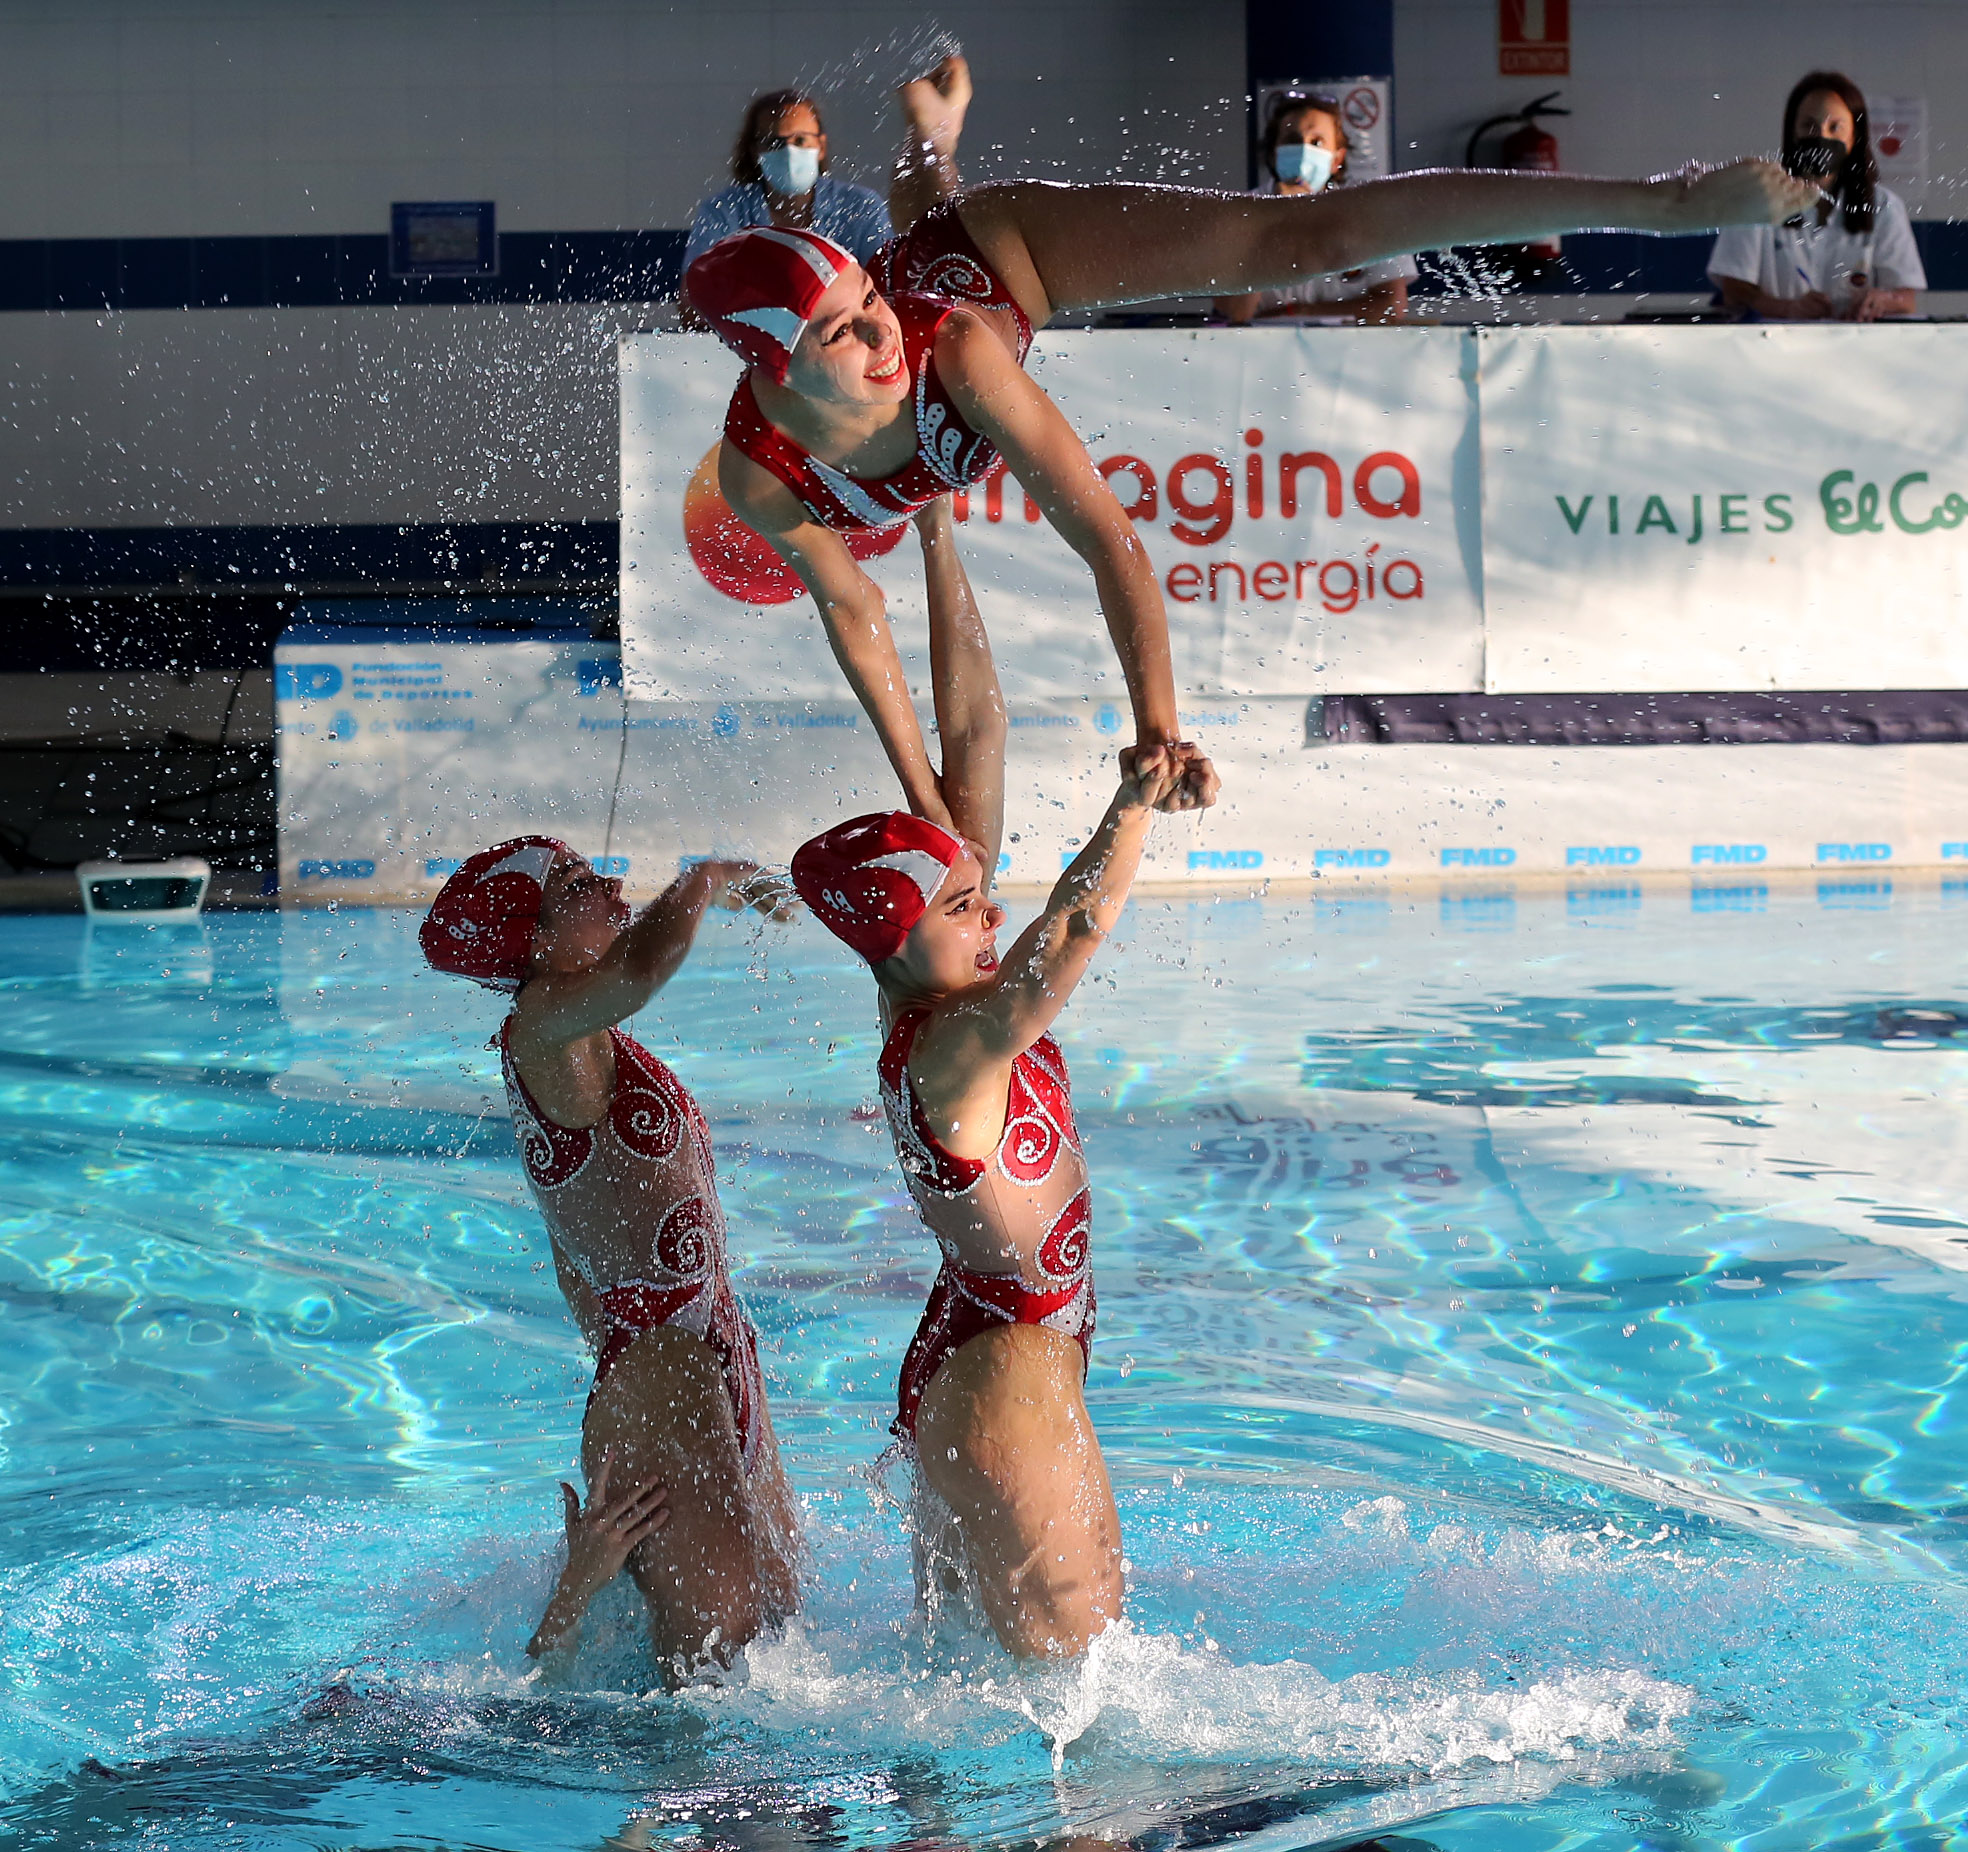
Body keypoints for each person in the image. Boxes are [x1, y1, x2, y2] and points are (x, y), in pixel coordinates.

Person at [685, 92, 1817, 835]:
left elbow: (1110, 540)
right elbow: (859, 630)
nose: (878, 334)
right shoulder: (761, 476)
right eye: (842, 331)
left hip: (1004, 258)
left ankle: (1660, 201)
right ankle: (927, 157)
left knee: (1297, 236)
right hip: (892, 434)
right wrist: (926, 814)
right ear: (776, 367)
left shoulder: (952, 345)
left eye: (868, 306)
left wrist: (1158, 728)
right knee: (952, 775)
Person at [790, 496, 1176, 1659]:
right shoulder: (960, 1045)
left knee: (965, 1720)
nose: (988, 907)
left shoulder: (925, 980)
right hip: (1007, 1370)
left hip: (984, 1353)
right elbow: (1071, 934)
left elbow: (980, 731)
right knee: (1088, 1717)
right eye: (964, 905)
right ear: (903, 935)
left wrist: (937, 528)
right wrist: (1137, 799)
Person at [419, 840, 801, 1677]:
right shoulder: (541, 1029)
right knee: (719, 1690)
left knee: (782, 1646)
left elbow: (571, 1252)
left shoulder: (579, 1044)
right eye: (578, 884)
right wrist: (705, 877)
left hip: (705, 1356)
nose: (614, 884)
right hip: (667, 1375)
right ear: (533, 939)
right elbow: (643, 968)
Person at [1709, 71, 1924, 322]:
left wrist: (1881, 300)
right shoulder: (1754, 198)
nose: (1822, 136)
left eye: (1835, 127)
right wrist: (1786, 308)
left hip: (1857, 353)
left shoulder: (1884, 207)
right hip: (1773, 351)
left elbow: (1905, 298)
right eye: (1809, 125)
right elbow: (1734, 289)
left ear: (1854, 136)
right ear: (1792, 133)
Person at [1214, 92, 1414, 326]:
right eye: (1291, 139)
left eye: (1317, 142)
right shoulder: (1241, 214)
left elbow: (1392, 307)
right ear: (1273, 152)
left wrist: (1299, 311)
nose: (1303, 150)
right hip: (1263, 354)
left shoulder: (1371, 213)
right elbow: (1237, 312)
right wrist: (1273, 221)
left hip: (1351, 355)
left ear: (1336, 159)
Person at [684, 89, 893, 274]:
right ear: (756, 151)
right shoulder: (723, 211)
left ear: (821, 146)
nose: (789, 152)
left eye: (800, 140)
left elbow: (886, 289)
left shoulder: (860, 206)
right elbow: (691, 302)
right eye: (774, 142)